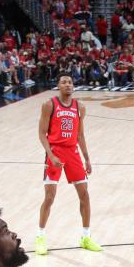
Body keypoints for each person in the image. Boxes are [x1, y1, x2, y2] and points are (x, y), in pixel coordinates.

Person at [35, 74, 102, 255]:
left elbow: (80, 135)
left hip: (73, 152)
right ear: (58, 85)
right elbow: (41, 133)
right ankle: (40, 237)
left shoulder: (80, 107)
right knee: (50, 197)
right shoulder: (49, 105)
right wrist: (50, 155)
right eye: (64, 82)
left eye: (70, 82)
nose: (68, 85)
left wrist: (87, 158)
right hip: (55, 151)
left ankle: (86, 237)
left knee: (85, 195)